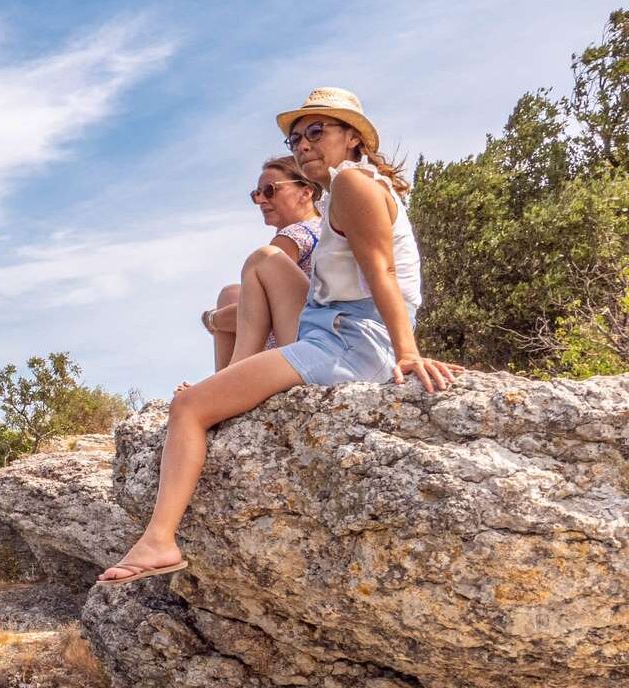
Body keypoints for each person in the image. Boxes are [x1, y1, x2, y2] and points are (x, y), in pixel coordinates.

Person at [99, 88, 462, 585]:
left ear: (353, 138)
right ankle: (227, 385)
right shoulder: (347, 187)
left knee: (189, 409)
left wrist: (408, 352)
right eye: (296, 138)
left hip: (348, 340)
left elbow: (382, 271)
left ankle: (160, 540)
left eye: (318, 132)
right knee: (257, 269)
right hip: (332, 325)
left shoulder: (355, 185)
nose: (304, 145)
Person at [201, 156, 322, 370]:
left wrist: (212, 319)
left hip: (301, 344)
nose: (261, 200)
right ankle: (225, 380)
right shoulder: (323, 228)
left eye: (270, 190)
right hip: (320, 329)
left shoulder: (294, 235)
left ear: (306, 192)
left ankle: (226, 379)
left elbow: (255, 313)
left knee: (230, 294)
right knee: (233, 292)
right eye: (256, 194)